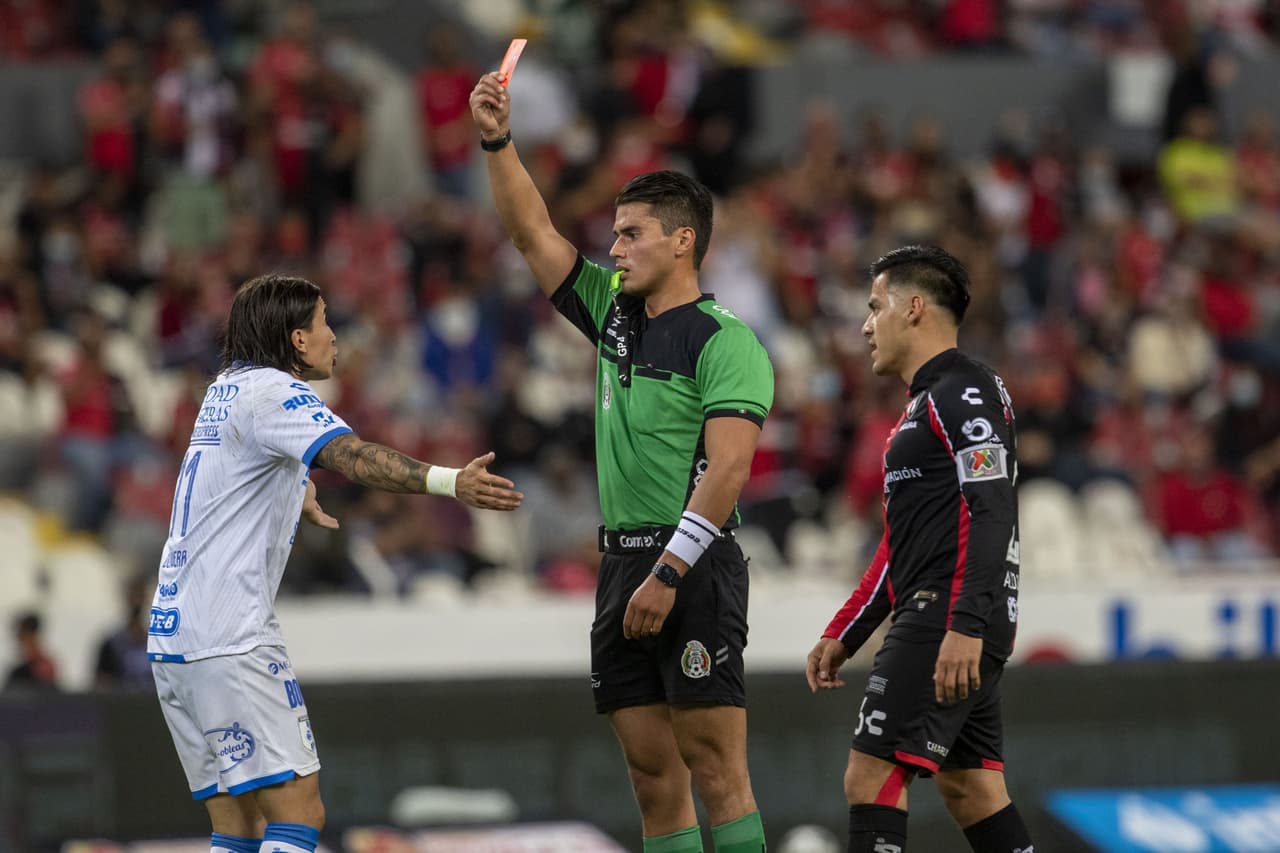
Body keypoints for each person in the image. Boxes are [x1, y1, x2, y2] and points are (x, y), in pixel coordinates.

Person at [471, 73, 774, 853]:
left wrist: (668, 572)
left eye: (630, 233)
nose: (613, 247)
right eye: (613, 234)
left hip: (692, 565)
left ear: (682, 240)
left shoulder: (725, 340)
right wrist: (497, 142)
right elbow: (533, 234)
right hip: (620, 564)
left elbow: (730, 471)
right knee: (651, 775)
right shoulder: (612, 312)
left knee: (714, 767)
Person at [147, 273, 523, 853]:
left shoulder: (226, 389)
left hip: (174, 638)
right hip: (232, 636)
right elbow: (352, 457)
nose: (333, 336)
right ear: (297, 339)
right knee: (298, 817)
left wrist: (295, 490)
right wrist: (451, 481)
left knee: (238, 827)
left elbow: (235, 472)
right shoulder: (276, 392)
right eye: (324, 322)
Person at [805, 246, 1033, 853]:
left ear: (912, 308)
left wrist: (962, 624)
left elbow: (993, 511)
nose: (865, 325)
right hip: (955, 613)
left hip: (945, 616)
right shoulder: (926, 404)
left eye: (874, 307)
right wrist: (847, 631)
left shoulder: (964, 390)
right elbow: (900, 541)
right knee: (972, 792)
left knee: (870, 774)